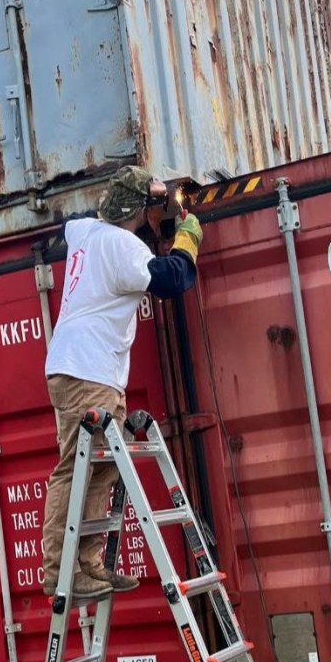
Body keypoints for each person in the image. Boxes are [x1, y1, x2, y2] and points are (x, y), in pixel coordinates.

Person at [40, 165, 203, 599]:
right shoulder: (121, 244)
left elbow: (71, 224)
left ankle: (88, 564)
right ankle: (59, 571)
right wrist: (187, 237)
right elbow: (170, 280)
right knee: (74, 468)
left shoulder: (85, 232)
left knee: (104, 465)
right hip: (88, 369)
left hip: (89, 369)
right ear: (141, 210)